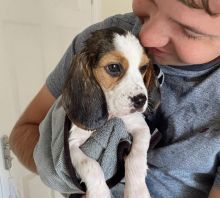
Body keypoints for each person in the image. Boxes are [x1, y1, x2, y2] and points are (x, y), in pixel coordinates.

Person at [9, 0, 220, 197]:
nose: (146, 37)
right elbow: (22, 133)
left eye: (189, 31)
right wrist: (77, 181)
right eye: (151, 0)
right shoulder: (98, 42)